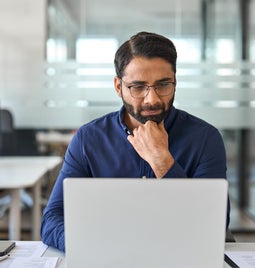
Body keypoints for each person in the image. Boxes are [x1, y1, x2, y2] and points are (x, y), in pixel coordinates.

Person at [41, 31, 230, 252]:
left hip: (179, 256)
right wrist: (93, 248)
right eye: (138, 87)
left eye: (163, 85)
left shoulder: (205, 139)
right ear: (119, 86)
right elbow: (52, 220)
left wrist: (162, 161)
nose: (152, 99)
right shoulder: (88, 139)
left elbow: (213, 227)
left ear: (175, 82)